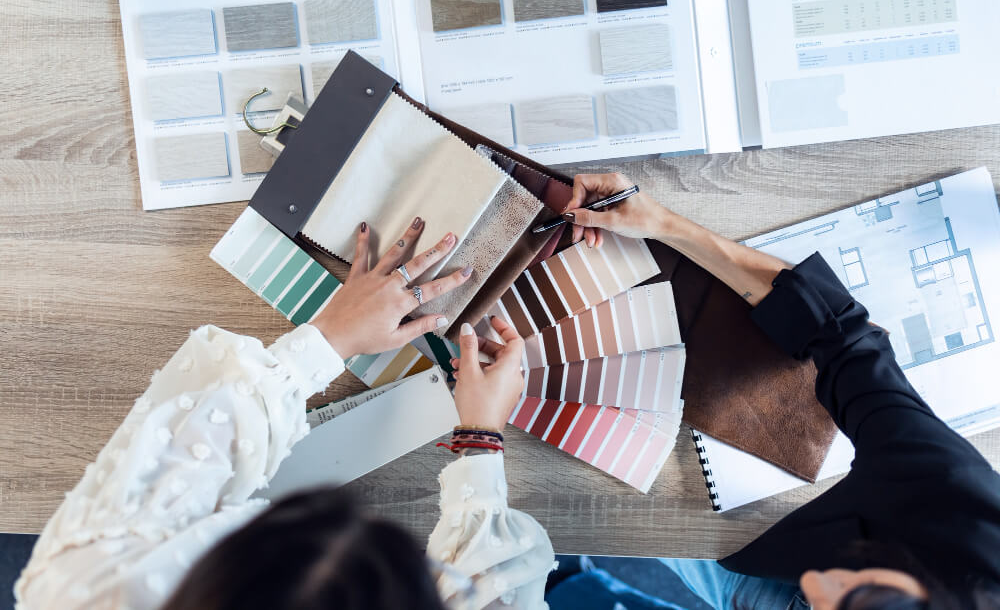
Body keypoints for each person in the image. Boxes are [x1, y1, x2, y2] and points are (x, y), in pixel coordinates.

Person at [14, 218, 555, 610]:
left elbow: (192, 435)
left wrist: (330, 337)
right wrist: (480, 438)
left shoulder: (85, 587)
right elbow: (498, 591)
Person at [557, 173, 1000, 610]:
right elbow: (841, 333)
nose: (823, 592)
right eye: (854, 591)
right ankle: (572, 587)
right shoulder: (954, 501)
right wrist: (662, 224)